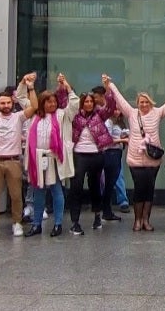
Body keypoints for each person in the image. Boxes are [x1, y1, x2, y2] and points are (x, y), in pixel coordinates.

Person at [108, 74, 165, 233]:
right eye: (141, 102)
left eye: (146, 102)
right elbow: (119, 98)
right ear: (137, 104)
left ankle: (146, 220)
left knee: (149, 190)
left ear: (150, 102)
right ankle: (137, 220)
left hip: (153, 159)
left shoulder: (158, 112)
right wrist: (109, 84)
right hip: (136, 160)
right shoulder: (131, 113)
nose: (144, 104)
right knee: (139, 189)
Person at [59, 74, 112, 234]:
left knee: (95, 186)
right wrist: (63, 85)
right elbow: (63, 103)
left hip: (96, 155)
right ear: (82, 103)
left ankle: (97, 215)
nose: (89, 104)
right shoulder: (74, 116)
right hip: (79, 155)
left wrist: (108, 87)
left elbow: (110, 106)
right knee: (76, 187)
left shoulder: (99, 115)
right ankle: (75, 221)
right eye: (86, 101)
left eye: (91, 101)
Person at [21, 73, 73, 238]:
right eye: (49, 101)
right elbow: (21, 97)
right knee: (38, 193)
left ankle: (58, 224)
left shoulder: (60, 115)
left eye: (54, 101)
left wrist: (66, 85)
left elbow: (74, 105)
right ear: (42, 103)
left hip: (53, 159)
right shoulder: (33, 115)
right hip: (37, 159)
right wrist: (26, 83)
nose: (52, 104)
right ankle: (36, 224)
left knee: (57, 190)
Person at [0, 85, 26, 238]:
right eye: (2, 103)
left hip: (13, 160)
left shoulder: (18, 117)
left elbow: (33, 107)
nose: (6, 106)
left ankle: (17, 222)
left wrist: (30, 88)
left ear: (12, 103)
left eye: (8, 103)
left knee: (16, 195)